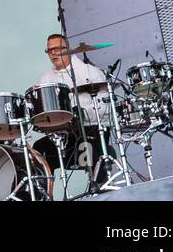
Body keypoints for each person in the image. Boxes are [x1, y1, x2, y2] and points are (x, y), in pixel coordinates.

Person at [31, 34, 114, 183]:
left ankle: (100, 190)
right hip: (64, 136)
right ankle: (44, 194)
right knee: (39, 148)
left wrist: (81, 113)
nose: (53, 53)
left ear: (68, 49)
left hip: (91, 130)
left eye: (57, 49)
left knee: (97, 148)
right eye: (49, 50)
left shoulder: (89, 72)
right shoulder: (46, 79)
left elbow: (106, 108)